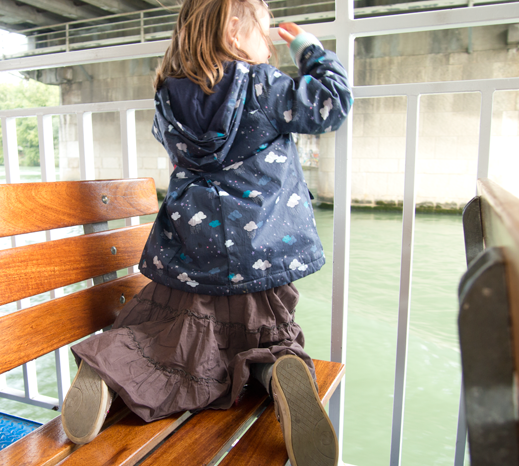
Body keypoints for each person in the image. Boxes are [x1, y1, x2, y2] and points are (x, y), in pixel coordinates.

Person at [61, 0, 352, 464]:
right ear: (234, 31)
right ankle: (279, 370)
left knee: (164, 334)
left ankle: (109, 363)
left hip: (193, 251)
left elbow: (175, 143)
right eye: (263, 32)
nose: (268, 44)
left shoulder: (168, 94)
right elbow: (331, 104)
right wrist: (309, 49)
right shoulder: (262, 85)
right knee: (267, 336)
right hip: (258, 254)